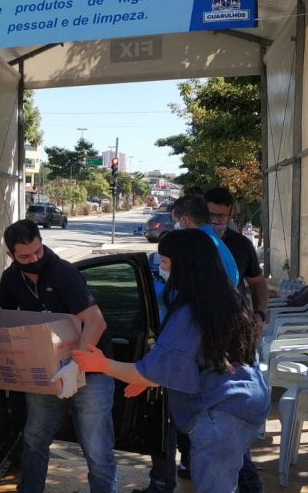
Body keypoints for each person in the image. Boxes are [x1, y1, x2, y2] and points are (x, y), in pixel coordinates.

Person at [72, 229, 270, 493]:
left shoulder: (189, 312)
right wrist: (151, 377)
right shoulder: (227, 299)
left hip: (220, 416)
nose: (162, 268)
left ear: (184, 265)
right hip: (248, 403)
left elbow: (153, 370)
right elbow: (195, 360)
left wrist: (100, 364)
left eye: (165, 261)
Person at [0, 219, 116, 493]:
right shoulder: (10, 279)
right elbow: (9, 324)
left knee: (97, 450)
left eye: (38, 251)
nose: (34, 259)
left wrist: (76, 365)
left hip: (91, 370)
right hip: (46, 372)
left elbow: (96, 322)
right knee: (33, 439)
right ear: (10, 255)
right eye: (25, 257)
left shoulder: (63, 273)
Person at [204, 187, 270, 328]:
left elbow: (257, 282)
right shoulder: (191, 242)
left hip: (233, 324)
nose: (215, 221)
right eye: (210, 215)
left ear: (231, 214)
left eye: (221, 216)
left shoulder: (241, 245)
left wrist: (259, 315)